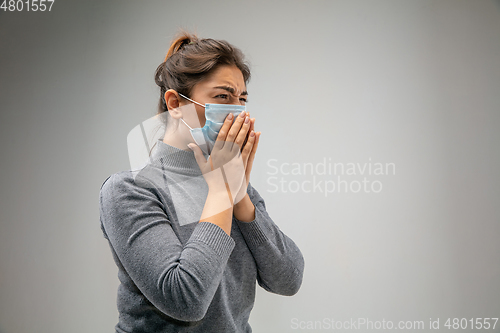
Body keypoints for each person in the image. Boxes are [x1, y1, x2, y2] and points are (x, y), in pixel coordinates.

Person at [98, 31, 304, 332]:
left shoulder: (233, 186)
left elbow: (289, 280)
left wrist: (240, 196)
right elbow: (186, 301)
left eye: (241, 99)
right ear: (174, 104)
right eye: (223, 96)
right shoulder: (130, 191)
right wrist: (221, 193)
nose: (236, 110)